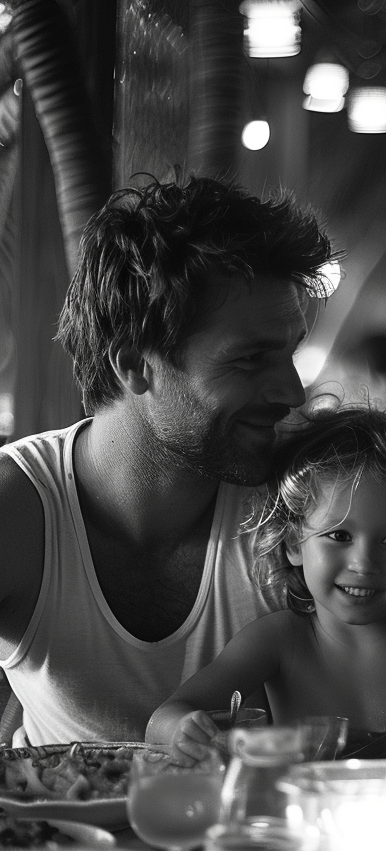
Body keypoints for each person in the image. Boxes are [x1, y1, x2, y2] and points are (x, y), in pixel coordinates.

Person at [0, 175, 337, 744]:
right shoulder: (18, 507)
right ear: (135, 365)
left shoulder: (310, 495)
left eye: (290, 352)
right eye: (252, 359)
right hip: (57, 832)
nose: (293, 392)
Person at [147, 404, 386, 761]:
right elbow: (165, 719)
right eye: (339, 536)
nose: (364, 563)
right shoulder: (280, 641)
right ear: (293, 543)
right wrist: (183, 728)